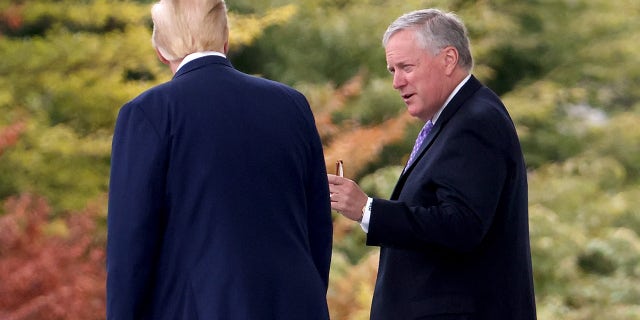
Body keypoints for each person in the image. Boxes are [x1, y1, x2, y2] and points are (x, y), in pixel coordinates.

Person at [106, 0, 332, 319]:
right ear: (225, 42)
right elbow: (318, 227)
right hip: (296, 305)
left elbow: (130, 246)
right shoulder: (292, 105)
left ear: (161, 51)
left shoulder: (148, 113)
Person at [328, 8, 536, 320]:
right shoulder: (459, 118)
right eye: (392, 70)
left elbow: (461, 226)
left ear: (448, 59)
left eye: (406, 67)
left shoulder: (475, 120)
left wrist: (367, 210)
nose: (397, 82)